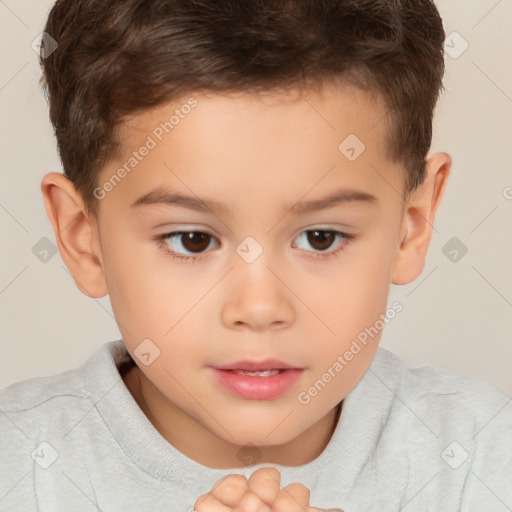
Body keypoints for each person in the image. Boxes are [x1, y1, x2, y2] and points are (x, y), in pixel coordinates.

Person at [1, 0, 511, 510]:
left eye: (321, 238)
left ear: (410, 226)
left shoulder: (479, 455)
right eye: (192, 240)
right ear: (81, 236)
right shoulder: (19, 465)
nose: (260, 308)